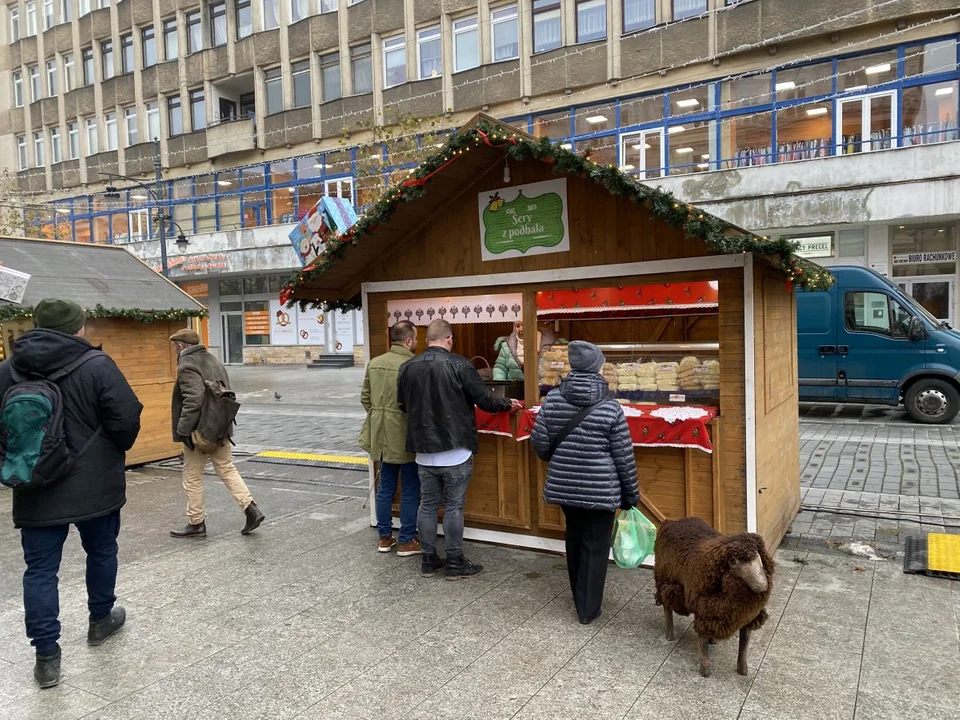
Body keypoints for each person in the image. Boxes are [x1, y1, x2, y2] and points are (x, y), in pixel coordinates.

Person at [0, 299, 143, 688]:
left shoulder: (7, 370)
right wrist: (111, 450)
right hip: (95, 485)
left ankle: (46, 656)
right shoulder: (98, 366)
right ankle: (101, 620)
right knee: (101, 551)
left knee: (40, 571)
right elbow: (127, 418)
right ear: (78, 328)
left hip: (36, 487)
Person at [397, 318, 519, 580]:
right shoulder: (461, 365)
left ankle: (429, 560)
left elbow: (402, 405)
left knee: (427, 505)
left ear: (428, 339)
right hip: (456, 449)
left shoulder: (407, 367)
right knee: (453, 506)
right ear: (449, 338)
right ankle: (454, 562)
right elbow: (485, 400)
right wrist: (508, 403)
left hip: (423, 451)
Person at [530, 340, 639, 626]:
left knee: (575, 537)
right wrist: (631, 495)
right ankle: (587, 609)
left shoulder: (552, 399)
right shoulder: (611, 407)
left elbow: (540, 443)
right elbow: (624, 458)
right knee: (596, 545)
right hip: (602, 491)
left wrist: (562, 461)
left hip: (565, 488)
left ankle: (580, 598)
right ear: (597, 367)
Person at [168, 328, 264, 538]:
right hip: (220, 427)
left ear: (182, 346)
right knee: (227, 469)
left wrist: (183, 431)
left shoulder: (187, 364)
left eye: (176, 345)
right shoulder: (213, 360)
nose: (175, 349)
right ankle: (251, 509)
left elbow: (193, 400)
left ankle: (196, 523)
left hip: (199, 432)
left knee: (192, 476)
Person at [359, 320, 421, 556]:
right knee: (409, 488)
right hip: (404, 435)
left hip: (380, 435)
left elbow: (365, 398)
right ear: (408, 341)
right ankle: (406, 539)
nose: (415, 343)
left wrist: (378, 418)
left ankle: (385, 538)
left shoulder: (374, 364)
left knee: (384, 488)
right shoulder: (412, 364)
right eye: (415, 339)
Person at [492, 321, 556, 381]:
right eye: (517, 326)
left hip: (542, 390)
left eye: (525, 325)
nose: (521, 329)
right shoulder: (506, 346)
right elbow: (500, 368)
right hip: (514, 390)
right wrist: (501, 386)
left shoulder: (549, 345)